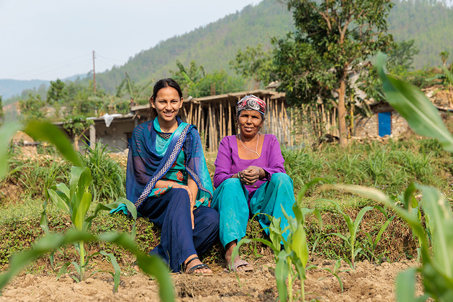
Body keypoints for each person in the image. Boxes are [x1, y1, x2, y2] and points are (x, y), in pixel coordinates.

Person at [124, 78, 219, 275]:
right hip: (152, 197)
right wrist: (175, 187)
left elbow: (193, 174)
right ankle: (191, 260)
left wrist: (190, 208)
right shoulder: (141, 133)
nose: (168, 107)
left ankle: (156, 258)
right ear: (153, 102)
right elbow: (141, 178)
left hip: (184, 198)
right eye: (163, 102)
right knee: (179, 194)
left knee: (211, 219)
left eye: (173, 101)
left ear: (181, 102)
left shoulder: (189, 133)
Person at [211, 95, 296, 272]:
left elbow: (279, 170)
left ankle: (286, 245)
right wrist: (238, 176)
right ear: (237, 118)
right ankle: (231, 253)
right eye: (244, 116)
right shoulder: (227, 142)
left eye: (255, 117)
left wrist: (261, 172)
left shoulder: (271, 141)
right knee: (231, 184)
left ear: (262, 121)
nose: (249, 121)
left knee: (282, 179)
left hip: (261, 200)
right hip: (234, 199)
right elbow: (218, 179)